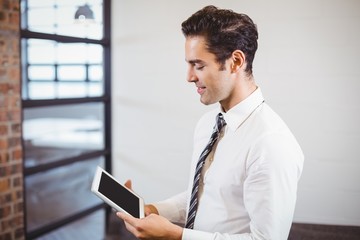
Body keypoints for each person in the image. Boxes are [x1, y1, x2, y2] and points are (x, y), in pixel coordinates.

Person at [117, 5, 304, 240]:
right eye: (189, 64)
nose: (189, 77)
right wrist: (153, 210)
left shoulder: (270, 143)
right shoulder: (209, 123)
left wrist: (176, 236)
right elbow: (205, 195)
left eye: (199, 65)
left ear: (235, 61)